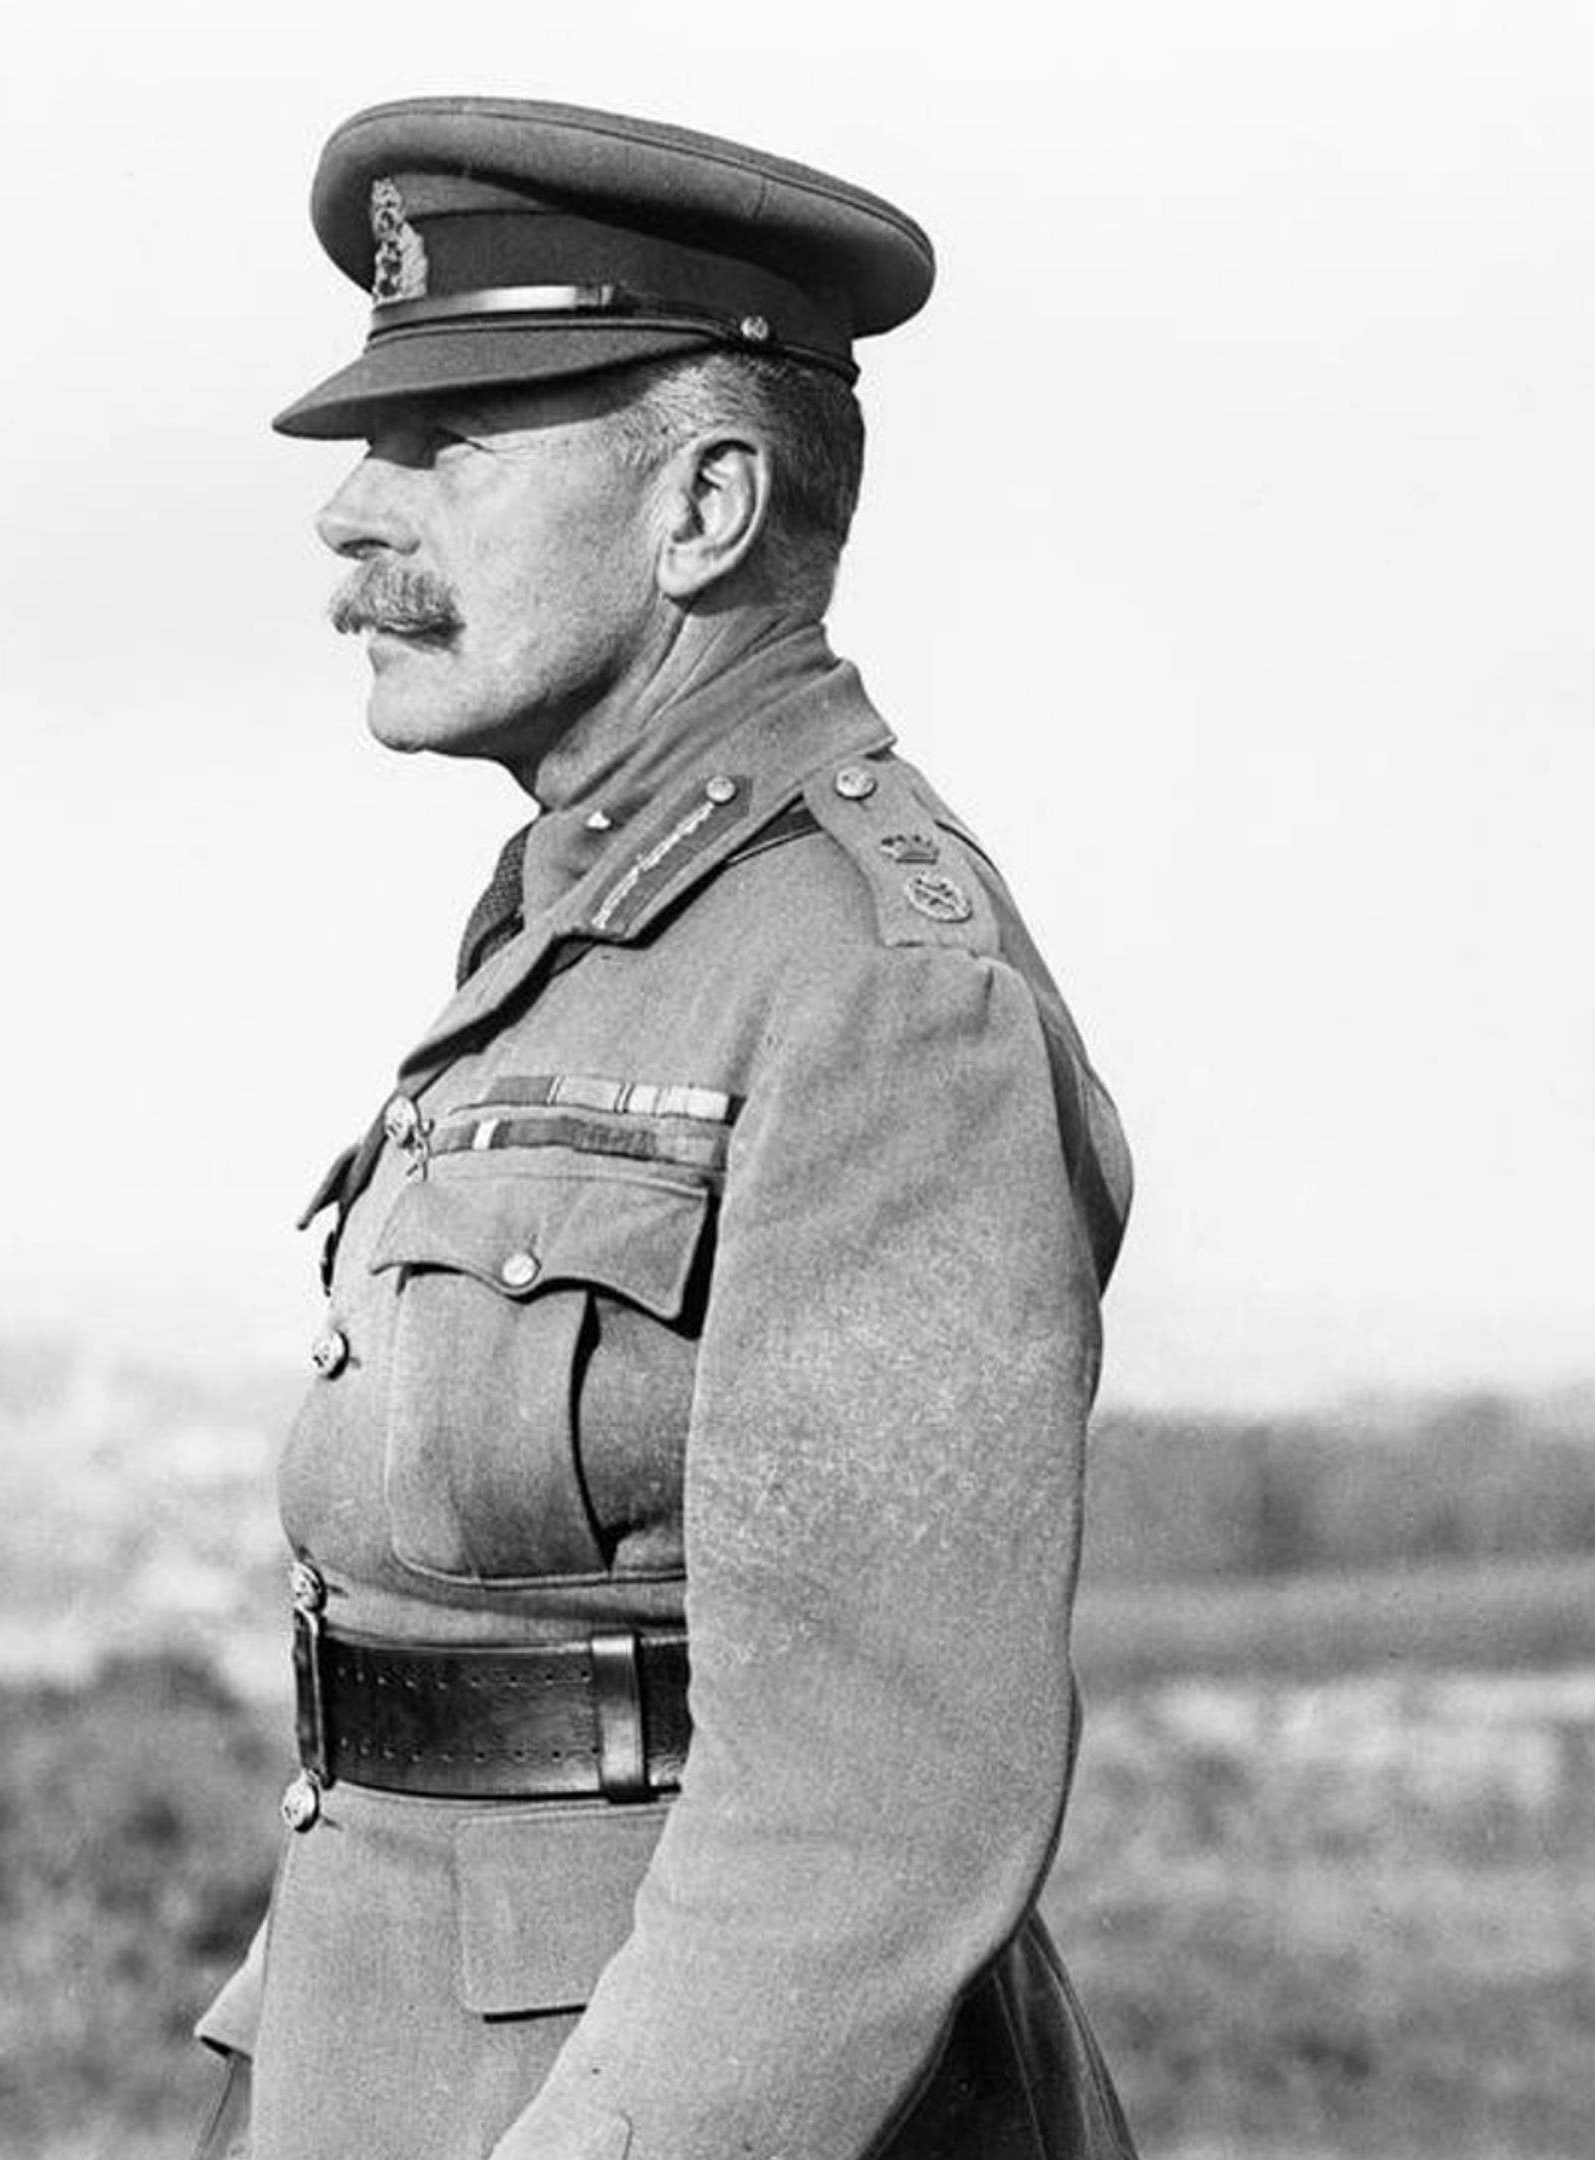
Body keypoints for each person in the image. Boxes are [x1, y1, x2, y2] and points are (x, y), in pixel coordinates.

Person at [190, 97, 1140, 2160]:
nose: (356, 514)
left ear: (705, 507)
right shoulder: (595, 916)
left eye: (453, 443)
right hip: (414, 2057)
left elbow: (864, 1810)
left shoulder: (881, 989)